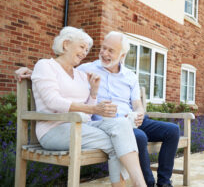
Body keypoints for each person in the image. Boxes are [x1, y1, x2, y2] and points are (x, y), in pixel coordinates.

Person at [15, 31, 180, 187]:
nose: (87, 52)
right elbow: (54, 89)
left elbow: (129, 103)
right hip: (62, 127)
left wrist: (94, 93)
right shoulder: (82, 68)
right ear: (66, 44)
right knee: (126, 138)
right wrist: (34, 72)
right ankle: (145, 184)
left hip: (105, 122)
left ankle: (150, 183)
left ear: (122, 56)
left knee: (155, 130)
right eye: (83, 47)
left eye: (87, 49)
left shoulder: (82, 74)